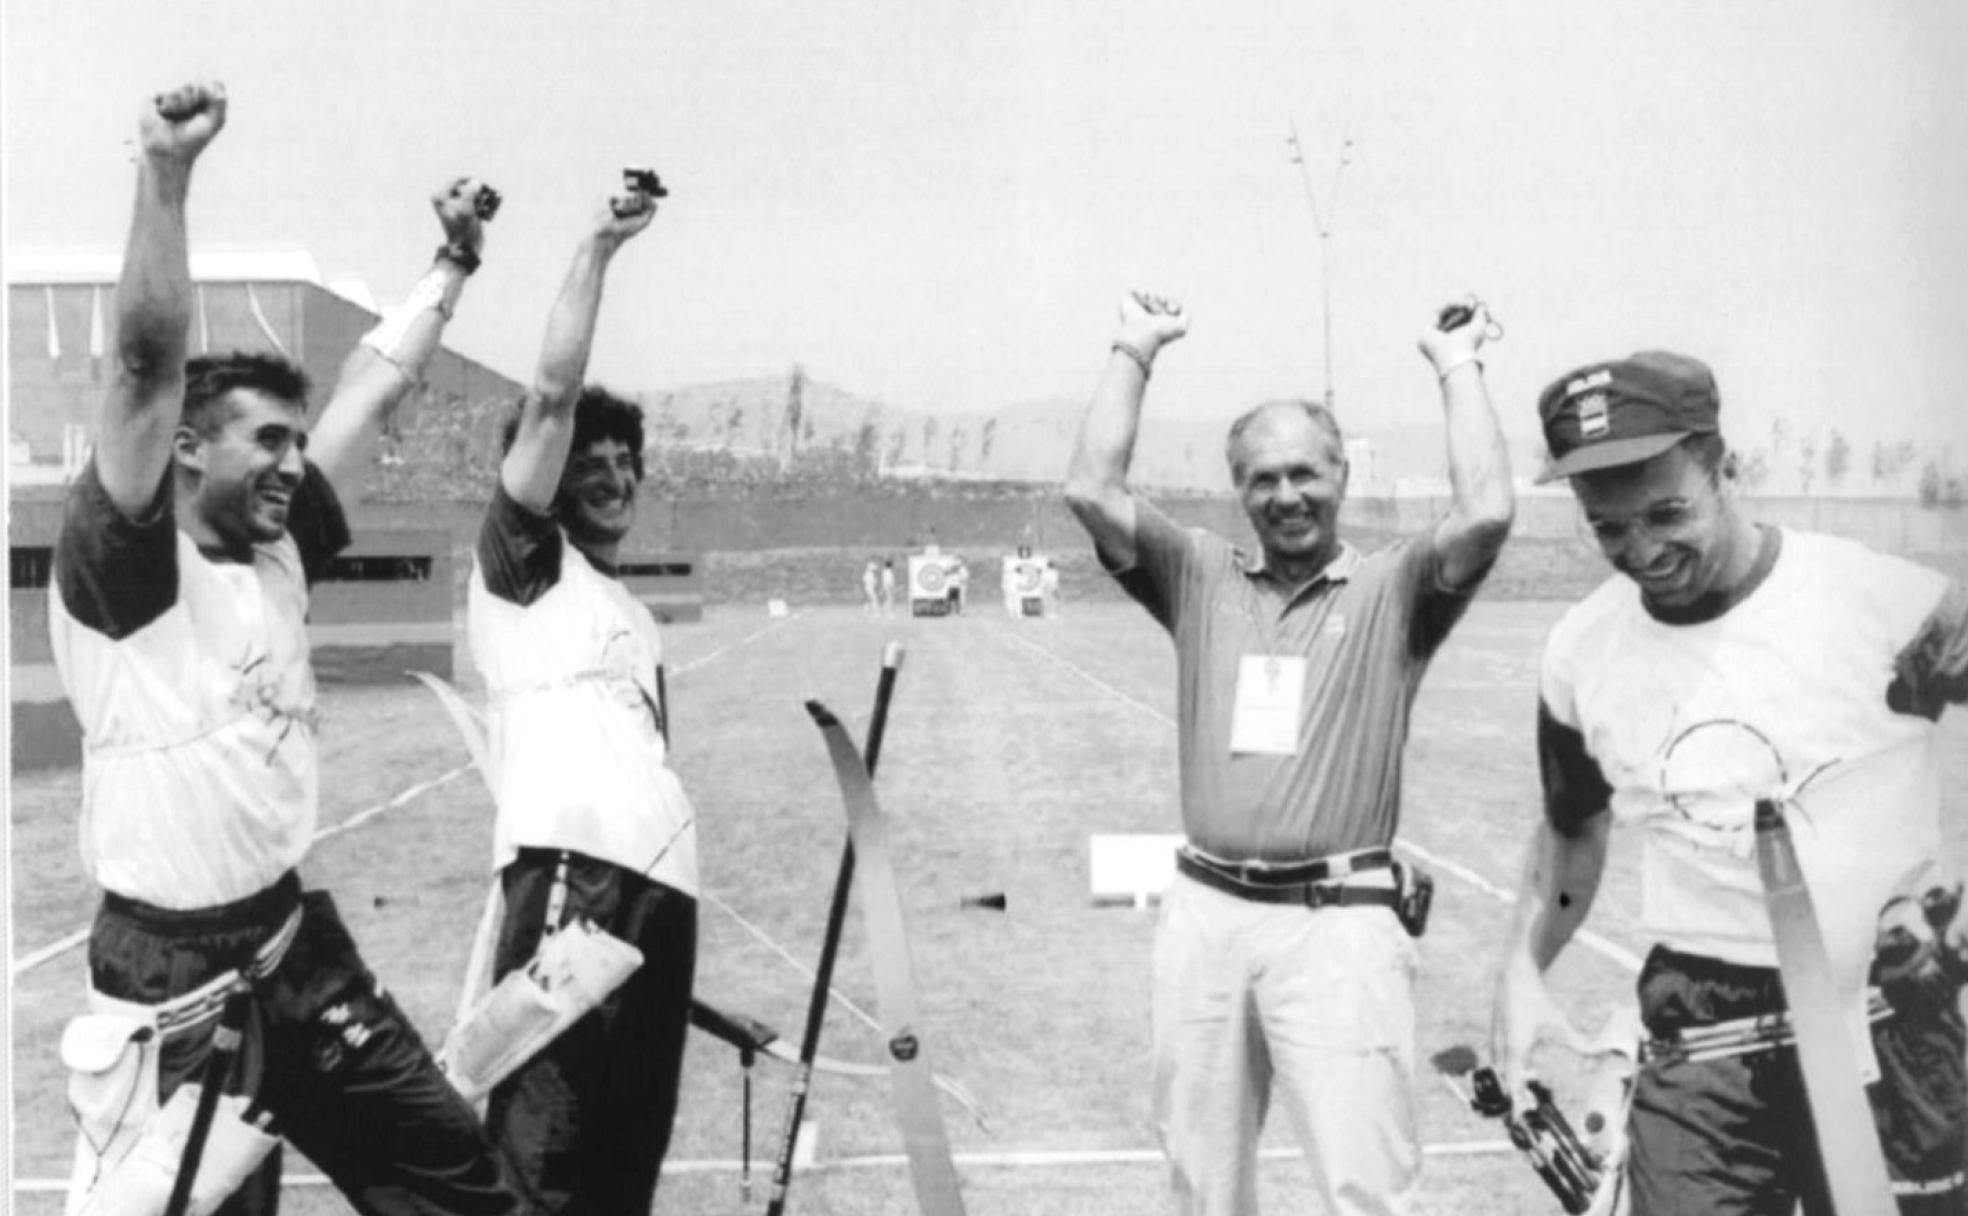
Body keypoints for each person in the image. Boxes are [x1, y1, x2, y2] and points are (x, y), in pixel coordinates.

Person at [50, 82, 520, 1215]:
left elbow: (377, 390)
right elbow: (144, 367)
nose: (291, 462)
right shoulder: (126, 569)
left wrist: (449, 270)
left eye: (296, 444)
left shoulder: (282, 546)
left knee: (463, 1189)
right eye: (265, 441)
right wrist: (165, 173)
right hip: (171, 983)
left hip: (297, 947)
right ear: (187, 450)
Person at [1064, 289, 1514, 1215]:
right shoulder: (1196, 575)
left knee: (1366, 1187)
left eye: (1306, 473)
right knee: (1201, 1182)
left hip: (1338, 925)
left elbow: (1488, 511)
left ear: (1343, 475)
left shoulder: (1395, 587)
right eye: (1262, 479)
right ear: (1239, 491)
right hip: (1205, 918)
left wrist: (1455, 360)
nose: (1286, 495)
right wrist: (1134, 346)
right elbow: (1091, 492)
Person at [1489, 351, 1968, 1214]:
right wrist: (1522, 976)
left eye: (1668, 513)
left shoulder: (1884, 606)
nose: (1642, 550)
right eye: (1609, 529)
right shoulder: (1580, 652)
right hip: (1703, 1033)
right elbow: (1573, 827)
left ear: (1728, 469)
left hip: (1885, 1014)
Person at [464, 177, 692, 1215]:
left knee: (618, 1173)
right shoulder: (525, 564)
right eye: (586, 465)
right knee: (538, 1162)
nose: (610, 477)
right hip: (571, 878)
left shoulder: (635, 621)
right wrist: (599, 246)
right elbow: (552, 393)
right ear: (546, 480)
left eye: (624, 462)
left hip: (659, 897)